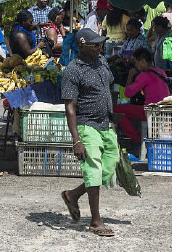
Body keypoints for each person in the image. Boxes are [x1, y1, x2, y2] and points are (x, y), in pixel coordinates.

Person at [60, 28, 118, 237]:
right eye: (95, 44)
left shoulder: (102, 61)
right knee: (93, 170)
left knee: (108, 168)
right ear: (82, 46)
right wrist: (76, 140)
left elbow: (109, 89)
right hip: (86, 125)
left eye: (101, 43)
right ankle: (95, 221)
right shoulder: (72, 71)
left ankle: (72, 195)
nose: (100, 46)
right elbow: (70, 107)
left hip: (105, 124)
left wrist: (112, 119)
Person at [113, 47, 170, 144]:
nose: (135, 66)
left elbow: (127, 93)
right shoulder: (161, 72)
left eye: (136, 63)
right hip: (165, 110)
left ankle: (136, 138)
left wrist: (130, 76)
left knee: (116, 109)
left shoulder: (144, 75)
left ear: (142, 61)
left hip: (151, 111)